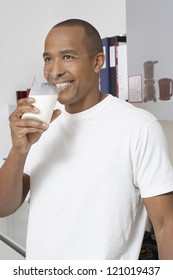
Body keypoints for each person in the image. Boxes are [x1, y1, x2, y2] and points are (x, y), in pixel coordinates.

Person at [0, 19, 173, 260]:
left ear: (97, 62)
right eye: (48, 58)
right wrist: (19, 151)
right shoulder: (41, 126)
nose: (54, 70)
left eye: (67, 57)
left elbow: (166, 225)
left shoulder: (139, 127)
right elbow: (3, 207)